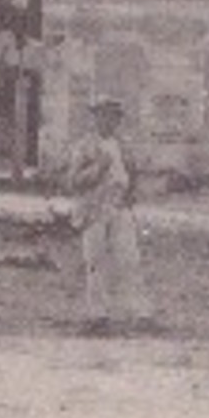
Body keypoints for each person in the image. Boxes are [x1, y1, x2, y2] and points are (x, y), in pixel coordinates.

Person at [64, 98, 153, 335]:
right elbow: (72, 182)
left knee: (129, 258)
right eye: (104, 115)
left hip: (119, 206)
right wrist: (98, 168)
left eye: (114, 116)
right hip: (94, 207)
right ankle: (98, 314)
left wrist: (131, 192)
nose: (109, 120)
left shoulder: (122, 145)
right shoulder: (84, 146)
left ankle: (140, 312)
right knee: (95, 260)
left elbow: (132, 173)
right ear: (95, 118)